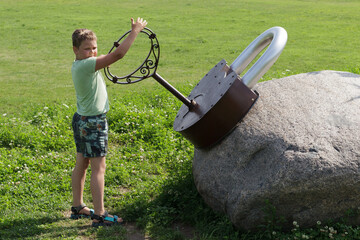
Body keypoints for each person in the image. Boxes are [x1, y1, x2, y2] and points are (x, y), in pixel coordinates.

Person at [70, 17, 147, 227]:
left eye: (94, 48)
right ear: (75, 50)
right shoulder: (86, 66)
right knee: (98, 168)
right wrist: (136, 31)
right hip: (93, 123)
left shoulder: (81, 65)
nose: (92, 52)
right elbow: (118, 54)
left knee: (82, 163)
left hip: (81, 119)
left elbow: (108, 55)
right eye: (87, 49)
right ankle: (100, 215)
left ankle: (77, 206)